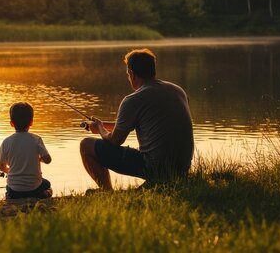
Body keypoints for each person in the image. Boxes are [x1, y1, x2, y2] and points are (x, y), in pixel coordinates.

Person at [80, 48, 194, 189]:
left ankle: (107, 192)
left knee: (86, 145)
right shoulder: (178, 90)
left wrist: (100, 129)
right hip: (182, 168)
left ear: (132, 74)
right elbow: (143, 123)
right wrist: (102, 125)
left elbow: (116, 140)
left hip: (155, 167)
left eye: (128, 74)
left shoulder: (133, 100)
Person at [0, 102, 53, 199]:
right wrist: (40, 159)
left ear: (11, 123)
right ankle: (43, 194)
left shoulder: (6, 142)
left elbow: (1, 166)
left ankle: (9, 196)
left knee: (9, 187)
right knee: (47, 184)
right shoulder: (36, 139)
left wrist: (9, 171)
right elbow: (48, 160)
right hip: (35, 188)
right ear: (31, 122)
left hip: (14, 190)